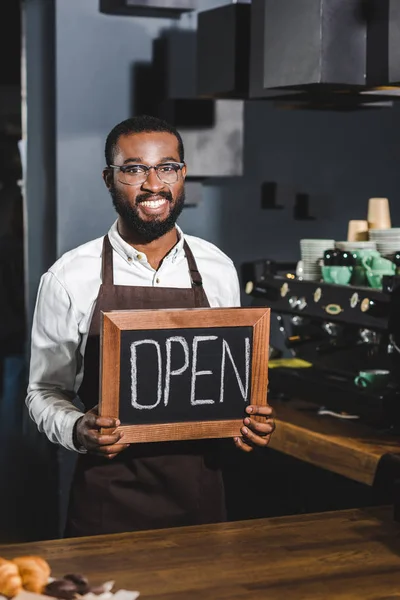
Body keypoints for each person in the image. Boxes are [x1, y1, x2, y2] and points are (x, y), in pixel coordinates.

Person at [26, 115, 275, 537]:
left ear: (182, 174)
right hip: (108, 497)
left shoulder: (216, 268)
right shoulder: (69, 277)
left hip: (201, 492)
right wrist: (77, 430)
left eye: (167, 167)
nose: (154, 184)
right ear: (109, 179)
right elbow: (43, 391)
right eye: (134, 169)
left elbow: (228, 380)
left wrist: (247, 421)